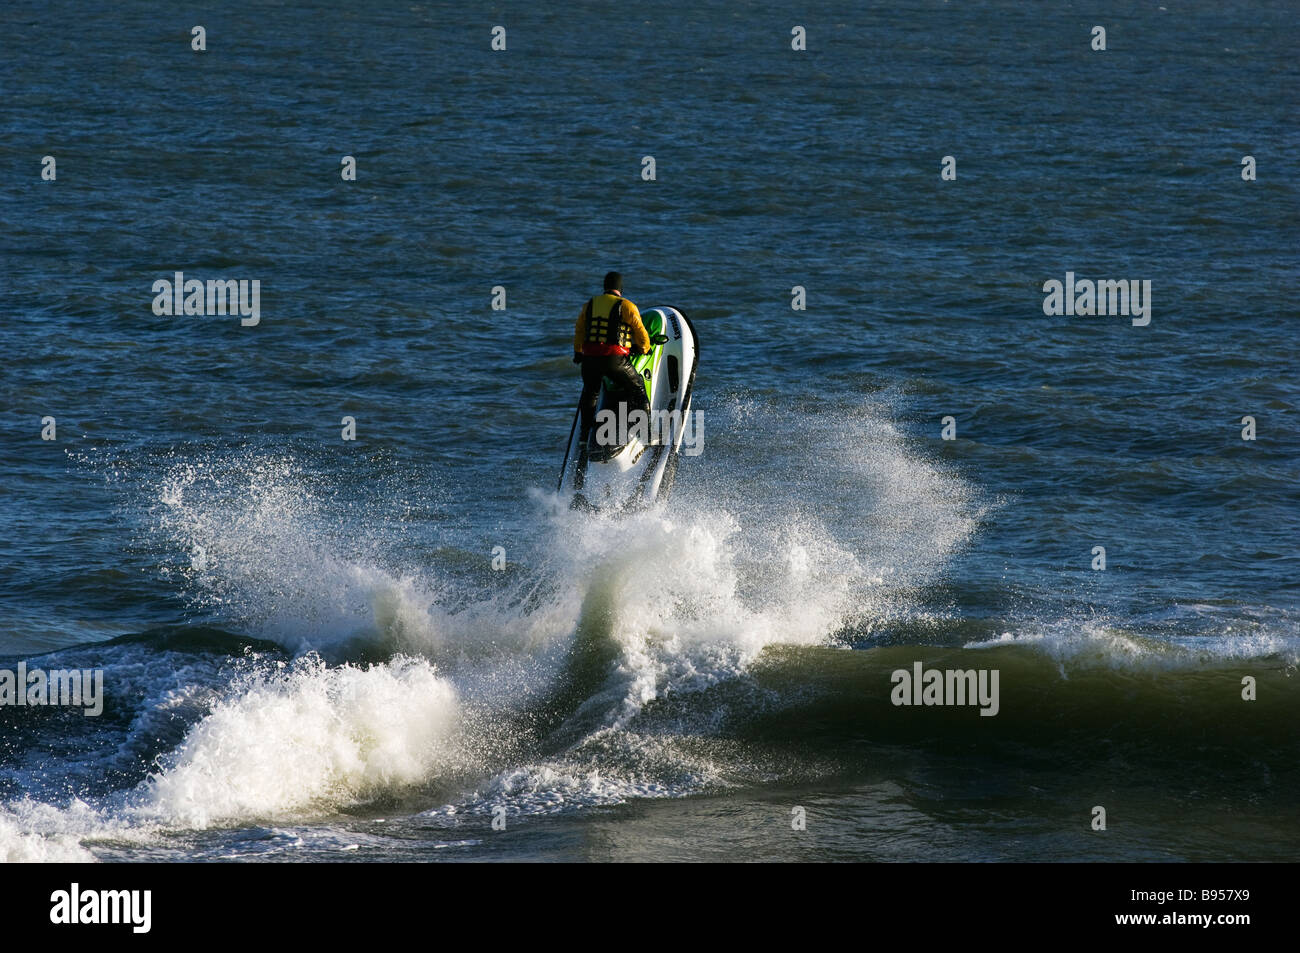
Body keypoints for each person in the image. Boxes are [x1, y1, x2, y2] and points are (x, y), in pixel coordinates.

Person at [573, 271, 652, 447]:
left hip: (589, 360)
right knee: (638, 389)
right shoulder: (626, 306)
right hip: (614, 360)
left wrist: (578, 352)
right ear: (620, 289)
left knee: (590, 393)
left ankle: (584, 436)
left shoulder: (589, 305)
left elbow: (579, 329)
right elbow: (640, 331)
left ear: (605, 287)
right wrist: (645, 349)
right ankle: (648, 430)